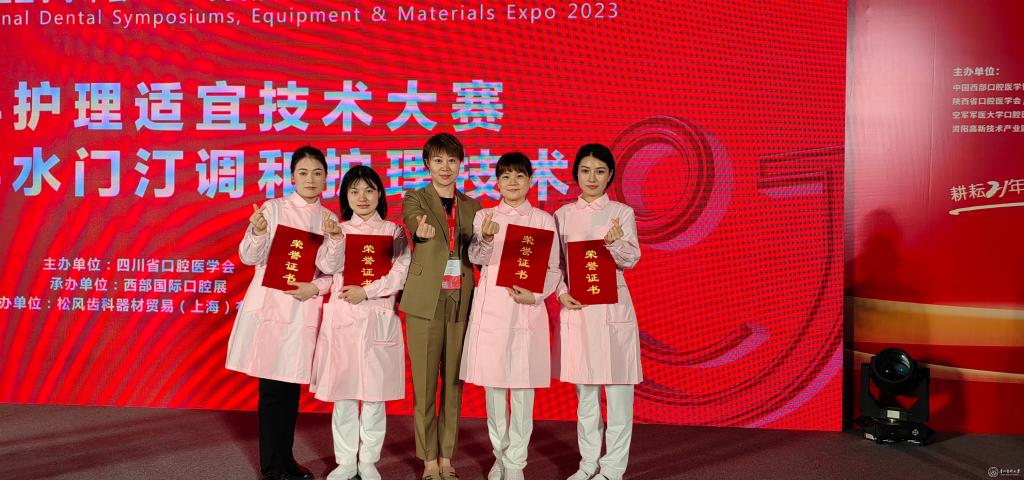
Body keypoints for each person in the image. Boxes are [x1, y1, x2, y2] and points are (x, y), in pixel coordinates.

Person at [226, 146, 335, 480]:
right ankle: (273, 467)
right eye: (303, 173)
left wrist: (314, 288)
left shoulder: (329, 218)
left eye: (317, 173)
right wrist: (258, 231)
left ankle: (286, 460)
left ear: (326, 178)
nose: (310, 179)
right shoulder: (273, 209)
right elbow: (248, 256)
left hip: (301, 309)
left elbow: (333, 271)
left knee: (290, 391)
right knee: (273, 392)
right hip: (272, 310)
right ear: (292, 177)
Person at [460, 152, 561, 480]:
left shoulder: (543, 220)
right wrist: (487, 238)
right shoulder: (485, 216)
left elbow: (553, 268)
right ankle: (499, 457)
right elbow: (476, 257)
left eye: (519, 176)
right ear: (497, 182)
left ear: (530, 180)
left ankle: (516, 462)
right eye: (506, 176)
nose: (513, 182)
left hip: (525, 310)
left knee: (522, 390)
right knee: (494, 391)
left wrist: (536, 295)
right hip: (493, 310)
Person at [311, 165, 411, 480]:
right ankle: (345, 461)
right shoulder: (338, 229)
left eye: (369, 190)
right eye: (354, 191)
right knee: (344, 395)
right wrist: (335, 239)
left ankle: (368, 460)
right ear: (346, 196)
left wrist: (366, 291)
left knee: (374, 396)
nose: (362, 197)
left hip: (377, 315)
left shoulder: (394, 232)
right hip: (344, 318)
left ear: (380, 194)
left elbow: (400, 273)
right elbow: (326, 265)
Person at [554, 144, 642, 480]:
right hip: (580, 310)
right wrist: (561, 293)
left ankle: (613, 469)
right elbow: (556, 265)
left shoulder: (622, 212)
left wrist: (616, 242)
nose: (592, 178)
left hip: (613, 309)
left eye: (600, 171)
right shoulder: (562, 215)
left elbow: (630, 260)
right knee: (586, 397)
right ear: (576, 173)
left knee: (619, 397)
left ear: (610, 176)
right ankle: (587, 464)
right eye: (586, 170)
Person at [400, 132, 482, 480]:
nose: (445, 167)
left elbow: (479, 249)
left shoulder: (474, 205)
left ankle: (447, 457)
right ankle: (428, 461)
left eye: (451, 160)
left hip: (460, 299)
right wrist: (420, 233)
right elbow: (412, 223)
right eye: (438, 160)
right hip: (425, 301)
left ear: (460, 164)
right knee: (424, 386)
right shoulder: (415, 198)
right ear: (427, 164)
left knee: (453, 385)